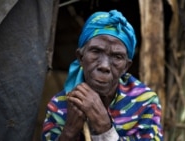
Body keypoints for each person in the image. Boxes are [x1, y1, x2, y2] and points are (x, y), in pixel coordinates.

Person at [42, 9, 164, 141]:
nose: (104, 66)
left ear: (126, 67)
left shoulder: (144, 103)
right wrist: (70, 131)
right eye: (96, 51)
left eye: (117, 57)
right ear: (80, 57)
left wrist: (104, 127)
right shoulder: (60, 105)